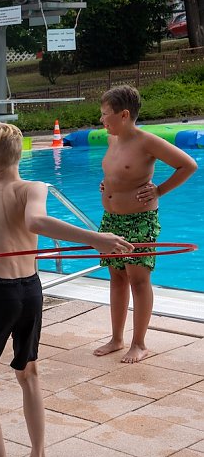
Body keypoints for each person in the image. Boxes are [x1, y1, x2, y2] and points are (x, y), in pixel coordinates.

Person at [0, 122, 134, 457]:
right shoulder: (35, 187)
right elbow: (35, 221)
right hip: (30, 290)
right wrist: (95, 237)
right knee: (28, 372)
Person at [92, 86, 198, 363]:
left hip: (140, 220)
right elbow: (119, 171)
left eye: (105, 114)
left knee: (138, 281)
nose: (101, 120)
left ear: (124, 115)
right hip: (111, 219)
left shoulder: (147, 142)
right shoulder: (112, 139)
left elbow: (188, 165)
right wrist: (108, 184)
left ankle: (139, 343)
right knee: (116, 277)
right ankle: (116, 338)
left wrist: (159, 190)